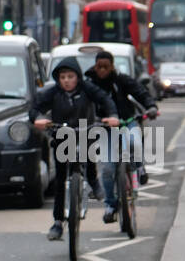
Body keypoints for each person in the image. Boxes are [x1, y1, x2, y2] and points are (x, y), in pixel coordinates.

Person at [31, 56, 119, 241]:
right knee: (61, 179)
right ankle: (57, 222)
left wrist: (112, 115)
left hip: (84, 130)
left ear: (77, 77)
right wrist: (37, 119)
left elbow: (105, 100)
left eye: (70, 76)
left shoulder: (87, 88)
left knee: (88, 154)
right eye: (62, 77)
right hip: (62, 135)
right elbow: (35, 107)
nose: (66, 81)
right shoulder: (53, 92)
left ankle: (94, 182)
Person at [84, 50, 159, 221]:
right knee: (107, 170)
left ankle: (139, 168)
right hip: (104, 128)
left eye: (106, 67)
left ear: (112, 67)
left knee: (134, 142)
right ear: (95, 67)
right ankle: (110, 205)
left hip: (127, 121)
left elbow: (140, 92)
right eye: (99, 67)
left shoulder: (122, 80)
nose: (102, 70)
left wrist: (151, 106)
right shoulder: (89, 84)